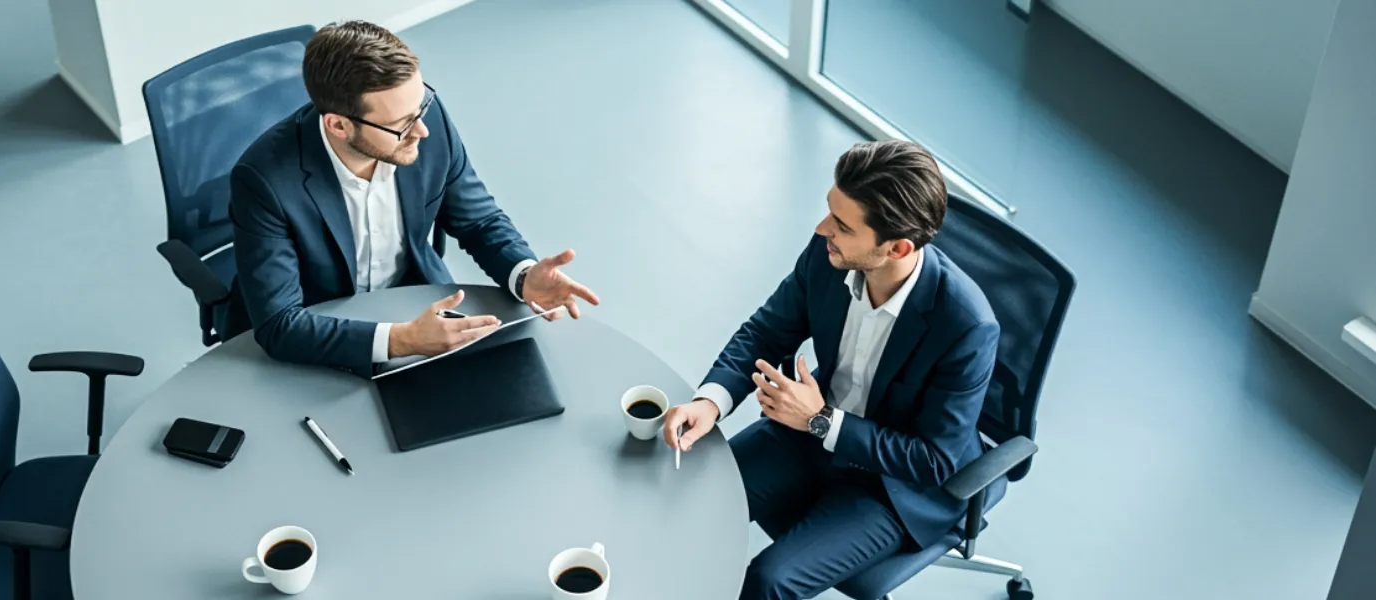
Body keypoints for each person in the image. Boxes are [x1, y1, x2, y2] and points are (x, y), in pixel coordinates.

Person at [663, 140, 999, 599]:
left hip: (892, 487)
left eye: (842, 225)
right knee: (683, 497)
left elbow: (934, 460)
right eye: (829, 212)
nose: (823, 229)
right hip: (807, 433)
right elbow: (767, 331)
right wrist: (711, 401)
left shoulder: (967, 326)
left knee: (769, 582)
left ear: (897, 247)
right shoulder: (829, 253)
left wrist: (822, 421)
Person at [228, 20, 599, 375]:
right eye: (401, 124)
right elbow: (280, 324)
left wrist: (523, 275)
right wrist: (403, 340)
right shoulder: (263, 180)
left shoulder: (424, 116)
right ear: (339, 125)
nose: (421, 130)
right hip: (322, 324)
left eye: (420, 107)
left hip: (415, 297)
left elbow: (478, 220)